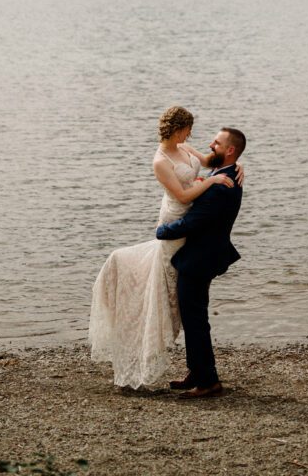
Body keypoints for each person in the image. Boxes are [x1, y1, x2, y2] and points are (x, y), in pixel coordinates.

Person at [88, 106, 241, 389]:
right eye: (188, 129)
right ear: (179, 129)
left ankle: (202, 375)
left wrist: (233, 166)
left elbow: (210, 159)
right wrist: (213, 179)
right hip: (176, 219)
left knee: (187, 305)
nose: (192, 135)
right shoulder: (160, 161)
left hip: (191, 231)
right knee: (176, 297)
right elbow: (183, 195)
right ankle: (195, 369)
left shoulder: (186, 150)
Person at [156, 125, 245, 398]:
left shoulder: (222, 186)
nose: (210, 145)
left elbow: (194, 222)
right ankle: (197, 371)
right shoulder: (225, 173)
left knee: (195, 319)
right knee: (194, 317)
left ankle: (208, 381)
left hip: (199, 259)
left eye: (216, 143)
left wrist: (162, 231)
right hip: (204, 255)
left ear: (229, 150)